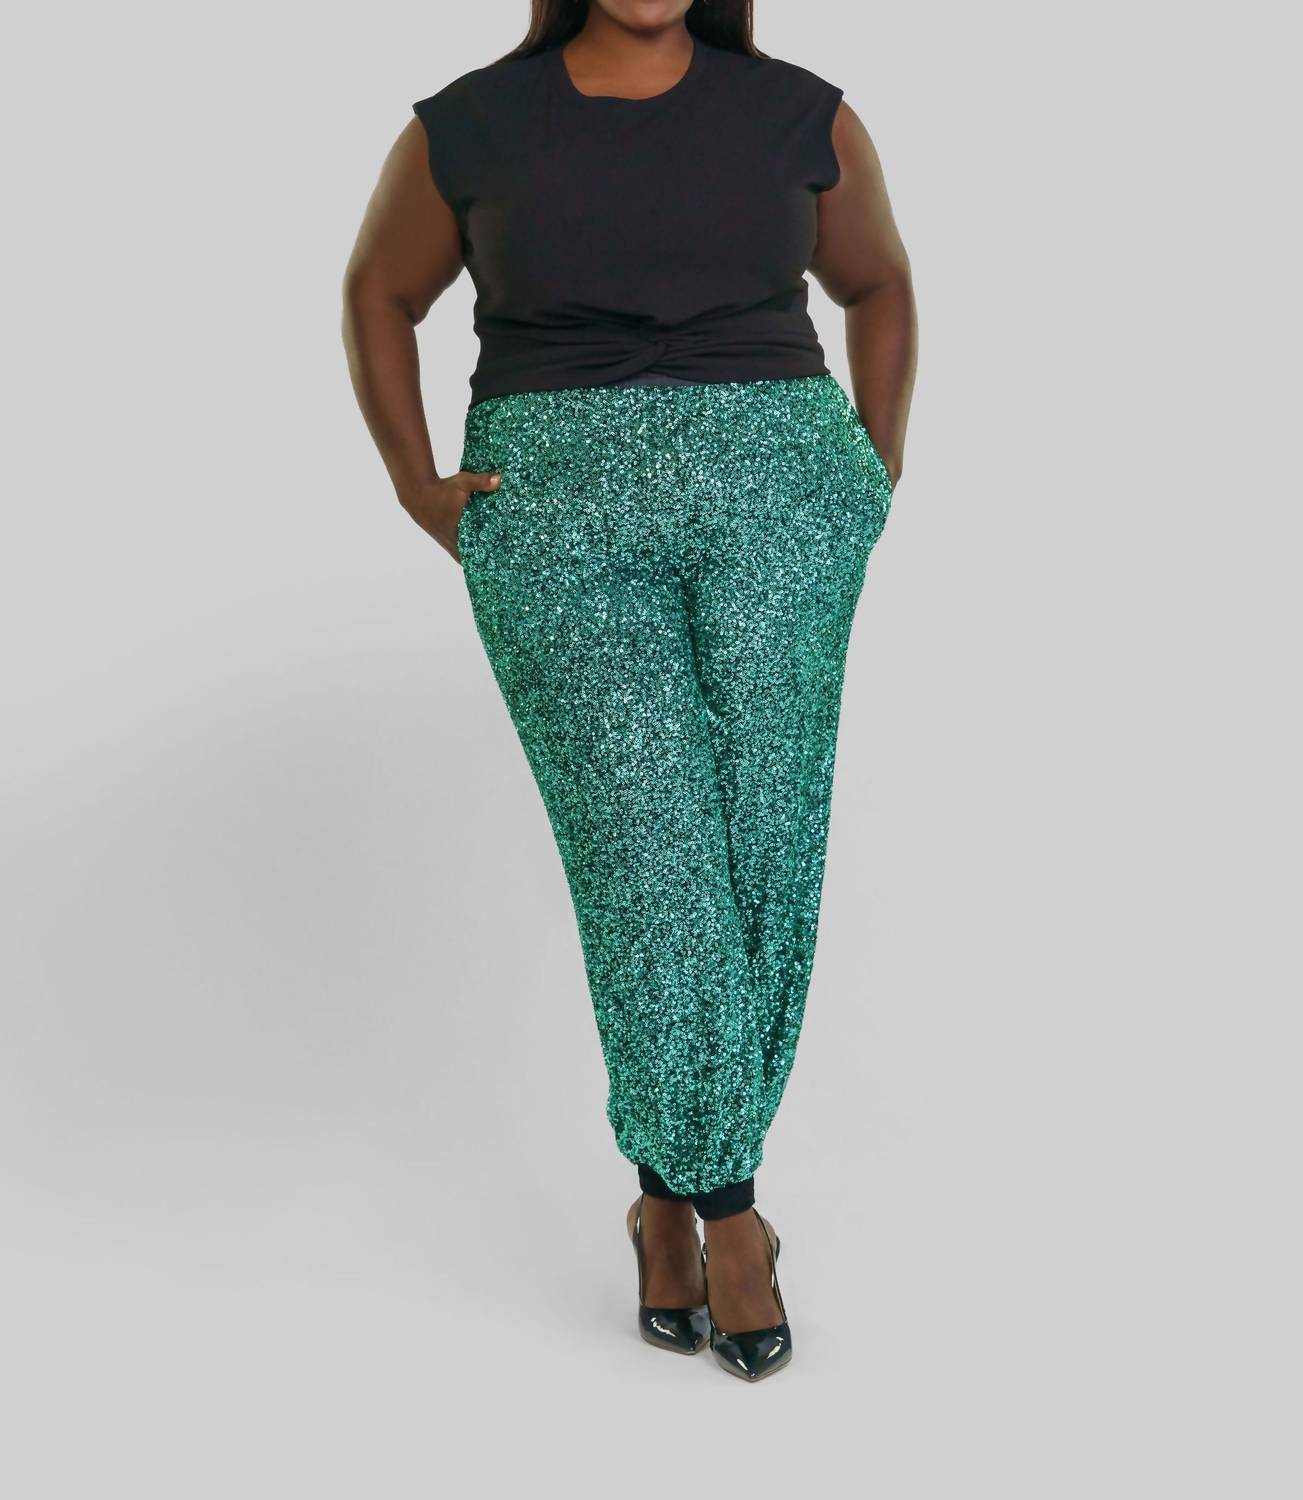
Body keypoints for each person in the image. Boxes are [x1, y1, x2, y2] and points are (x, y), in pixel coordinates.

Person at [341, 0, 917, 1383]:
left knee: (764, 847)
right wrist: (418, 486)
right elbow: (378, 292)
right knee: (649, 863)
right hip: (559, 516)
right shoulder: (472, 124)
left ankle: (665, 1196)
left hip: (781, 500)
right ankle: (733, 1213)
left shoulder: (800, 113)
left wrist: (869, 475)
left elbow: (881, 286)